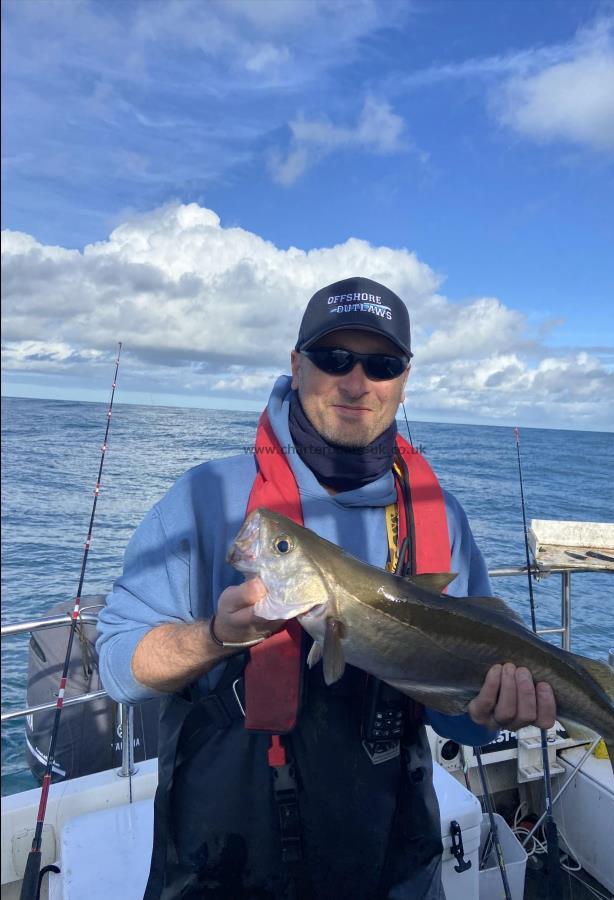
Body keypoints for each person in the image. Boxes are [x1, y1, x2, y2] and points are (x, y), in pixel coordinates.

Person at [97, 276, 556, 900]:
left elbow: (464, 727)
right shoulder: (207, 498)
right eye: (334, 357)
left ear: (404, 377)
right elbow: (119, 669)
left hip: (392, 861)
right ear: (295, 363)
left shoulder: (437, 512)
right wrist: (212, 637)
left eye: (382, 363)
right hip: (224, 864)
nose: (357, 382)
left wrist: (487, 712)